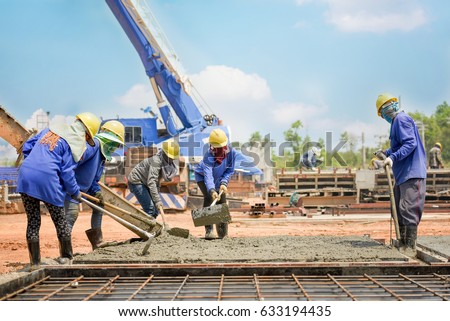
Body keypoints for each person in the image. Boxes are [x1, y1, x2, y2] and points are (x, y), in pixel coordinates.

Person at [17, 112, 100, 270]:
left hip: (25, 175)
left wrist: (34, 164)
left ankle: (35, 263)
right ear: (85, 133)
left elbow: (27, 146)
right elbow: (67, 173)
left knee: (33, 222)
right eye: (86, 138)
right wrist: (75, 192)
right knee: (60, 221)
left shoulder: (48, 131)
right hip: (47, 180)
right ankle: (66, 258)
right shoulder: (68, 144)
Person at [375, 93, 427, 255]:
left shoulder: (401, 119)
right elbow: (399, 146)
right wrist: (386, 153)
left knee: (407, 208)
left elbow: (410, 143)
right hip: (403, 174)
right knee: (398, 209)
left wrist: (392, 157)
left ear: (384, 112)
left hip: (412, 172)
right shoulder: (397, 123)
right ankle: (403, 243)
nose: (385, 115)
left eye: (383, 112)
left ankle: (409, 247)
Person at [64, 120, 125, 250]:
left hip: (82, 190)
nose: (115, 148)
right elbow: (72, 165)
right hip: (70, 190)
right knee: (71, 215)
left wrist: (96, 192)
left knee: (99, 206)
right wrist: (72, 188)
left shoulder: (102, 155)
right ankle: (65, 253)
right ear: (109, 139)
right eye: (114, 144)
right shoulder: (94, 146)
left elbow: (93, 179)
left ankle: (97, 243)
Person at [195, 129, 236, 239]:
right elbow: (208, 175)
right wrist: (212, 190)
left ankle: (223, 233)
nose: (219, 149)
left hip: (219, 179)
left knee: (222, 202)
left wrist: (224, 183)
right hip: (202, 178)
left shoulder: (231, 153)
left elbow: (229, 171)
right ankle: (209, 231)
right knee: (209, 198)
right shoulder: (208, 155)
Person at [127, 139, 179, 219]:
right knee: (150, 209)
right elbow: (152, 182)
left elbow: (157, 182)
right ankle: (145, 230)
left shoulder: (166, 165)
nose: (171, 160)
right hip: (137, 181)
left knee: (155, 211)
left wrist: (157, 201)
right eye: (169, 157)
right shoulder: (156, 161)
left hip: (146, 182)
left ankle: (150, 229)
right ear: (164, 153)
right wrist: (157, 200)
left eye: (172, 158)